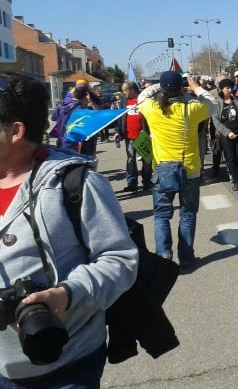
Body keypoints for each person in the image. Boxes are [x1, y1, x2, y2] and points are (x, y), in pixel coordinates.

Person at [0, 74, 138, 386]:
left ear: (15, 132)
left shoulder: (75, 184)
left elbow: (121, 261)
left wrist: (67, 293)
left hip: (67, 366)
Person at [138, 71, 215, 267]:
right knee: (187, 214)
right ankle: (186, 257)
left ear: (162, 89)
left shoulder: (153, 108)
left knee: (162, 215)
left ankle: (164, 255)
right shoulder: (192, 109)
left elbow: (142, 96)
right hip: (189, 169)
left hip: (163, 170)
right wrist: (195, 86)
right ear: (182, 88)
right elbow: (213, 104)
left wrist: (157, 85)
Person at [211, 78, 238, 190]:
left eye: (231, 88)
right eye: (227, 88)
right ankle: (236, 180)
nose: (230, 90)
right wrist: (227, 132)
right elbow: (215, 120)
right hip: (226, 135)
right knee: (231, 158)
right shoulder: (217, 102)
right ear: (221, 89)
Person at [114, 81, 152, 192]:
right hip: (129, 136)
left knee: (147, 160)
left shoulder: (144, 100)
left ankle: (147, 182)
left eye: (125, 90)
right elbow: (119, 118)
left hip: (144, 136)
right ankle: (132, 183)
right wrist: (118, 131)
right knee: (131, 160)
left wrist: (148, 132)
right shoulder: (123, 102)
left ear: (132, 90)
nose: (123, 92)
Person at [50, 84, 98, 156]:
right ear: (85, 97)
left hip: (61, 140)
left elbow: (53, 118)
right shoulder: (81, 109)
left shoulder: (61, 106)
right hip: (74, 142)